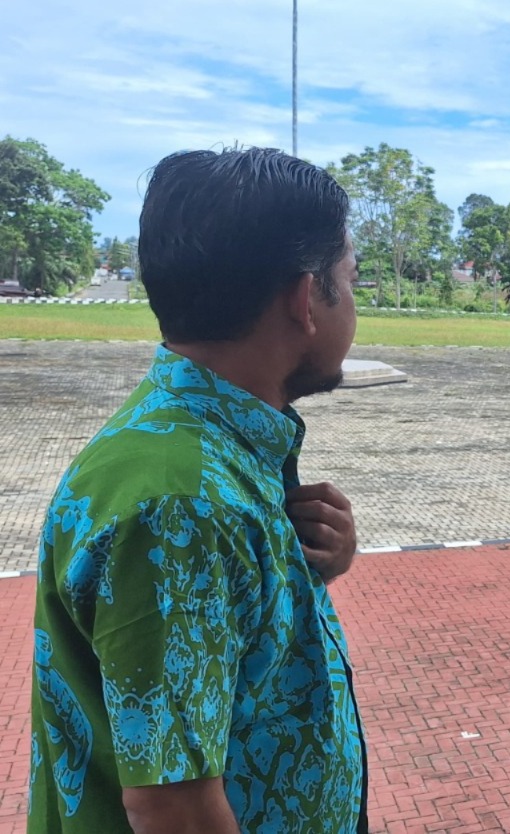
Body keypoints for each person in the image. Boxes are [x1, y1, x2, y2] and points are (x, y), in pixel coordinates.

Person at [29, 147, 368, 833]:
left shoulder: (204, 446)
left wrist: (307, 567)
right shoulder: (181, 506)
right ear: (305, 298)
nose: (356, 306)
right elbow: (173, 808)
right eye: (351, 280)